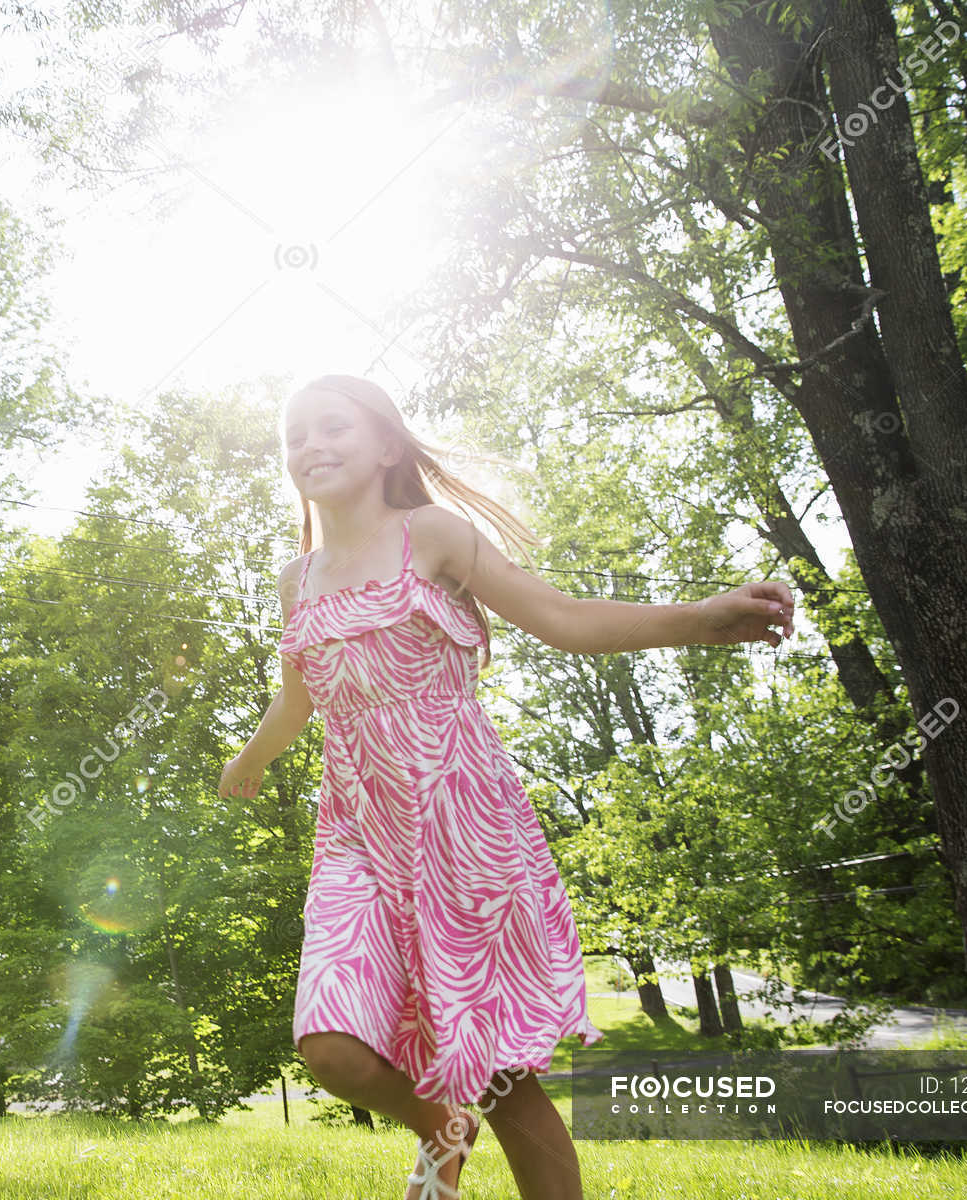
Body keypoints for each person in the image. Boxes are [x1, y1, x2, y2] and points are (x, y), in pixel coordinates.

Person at [217, 375, 795, 1200]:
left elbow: (563, 619)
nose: (311, 444)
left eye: (332, 426)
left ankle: (481, 1137)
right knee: (330, 1047)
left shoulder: (432, 536)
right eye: (295, 434)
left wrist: (697, 617)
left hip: (462, 829)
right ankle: (439, 1130)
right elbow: (298, 695)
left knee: (499, 1077)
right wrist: (252, 759)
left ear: (385, 445)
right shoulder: (297, 579)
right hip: (358, 836)